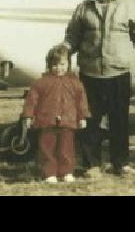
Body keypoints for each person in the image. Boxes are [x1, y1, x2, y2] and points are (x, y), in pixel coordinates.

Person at [63, 0, 135, 177]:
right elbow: (72, 36)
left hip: (118, 73)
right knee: (90, 121)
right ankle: (91, 165)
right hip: (90, 73)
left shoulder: (130, 7)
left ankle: (121, 164)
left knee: (119, 121)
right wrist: (64, 50)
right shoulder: (84, 8)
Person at [22, 44, 90, 184]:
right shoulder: (40, 83)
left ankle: (66, 172)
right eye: (55, 65)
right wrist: (28, 116)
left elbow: (81, 101)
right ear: (49, 65)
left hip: (68, 121)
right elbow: (31, 101)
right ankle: (49, 172)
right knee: (47, 149)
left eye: (63, 64)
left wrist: (82, 117)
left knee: (67, 149)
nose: (59, 68)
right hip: (47, 121)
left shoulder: (75, 83)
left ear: (69, 65)